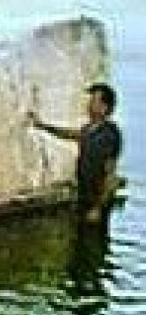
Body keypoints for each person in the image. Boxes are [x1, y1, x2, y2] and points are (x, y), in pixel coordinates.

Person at [29, 82, 123, 223]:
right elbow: (69, 134)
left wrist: (97, 208)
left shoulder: (109, 134)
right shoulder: (89, 129)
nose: (89, 105)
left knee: (94, 241)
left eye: (93, 101)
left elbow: (110, 174)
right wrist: (42, 125)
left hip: (97, 201)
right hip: (84, 196)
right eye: (90, 101)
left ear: (104, 108)